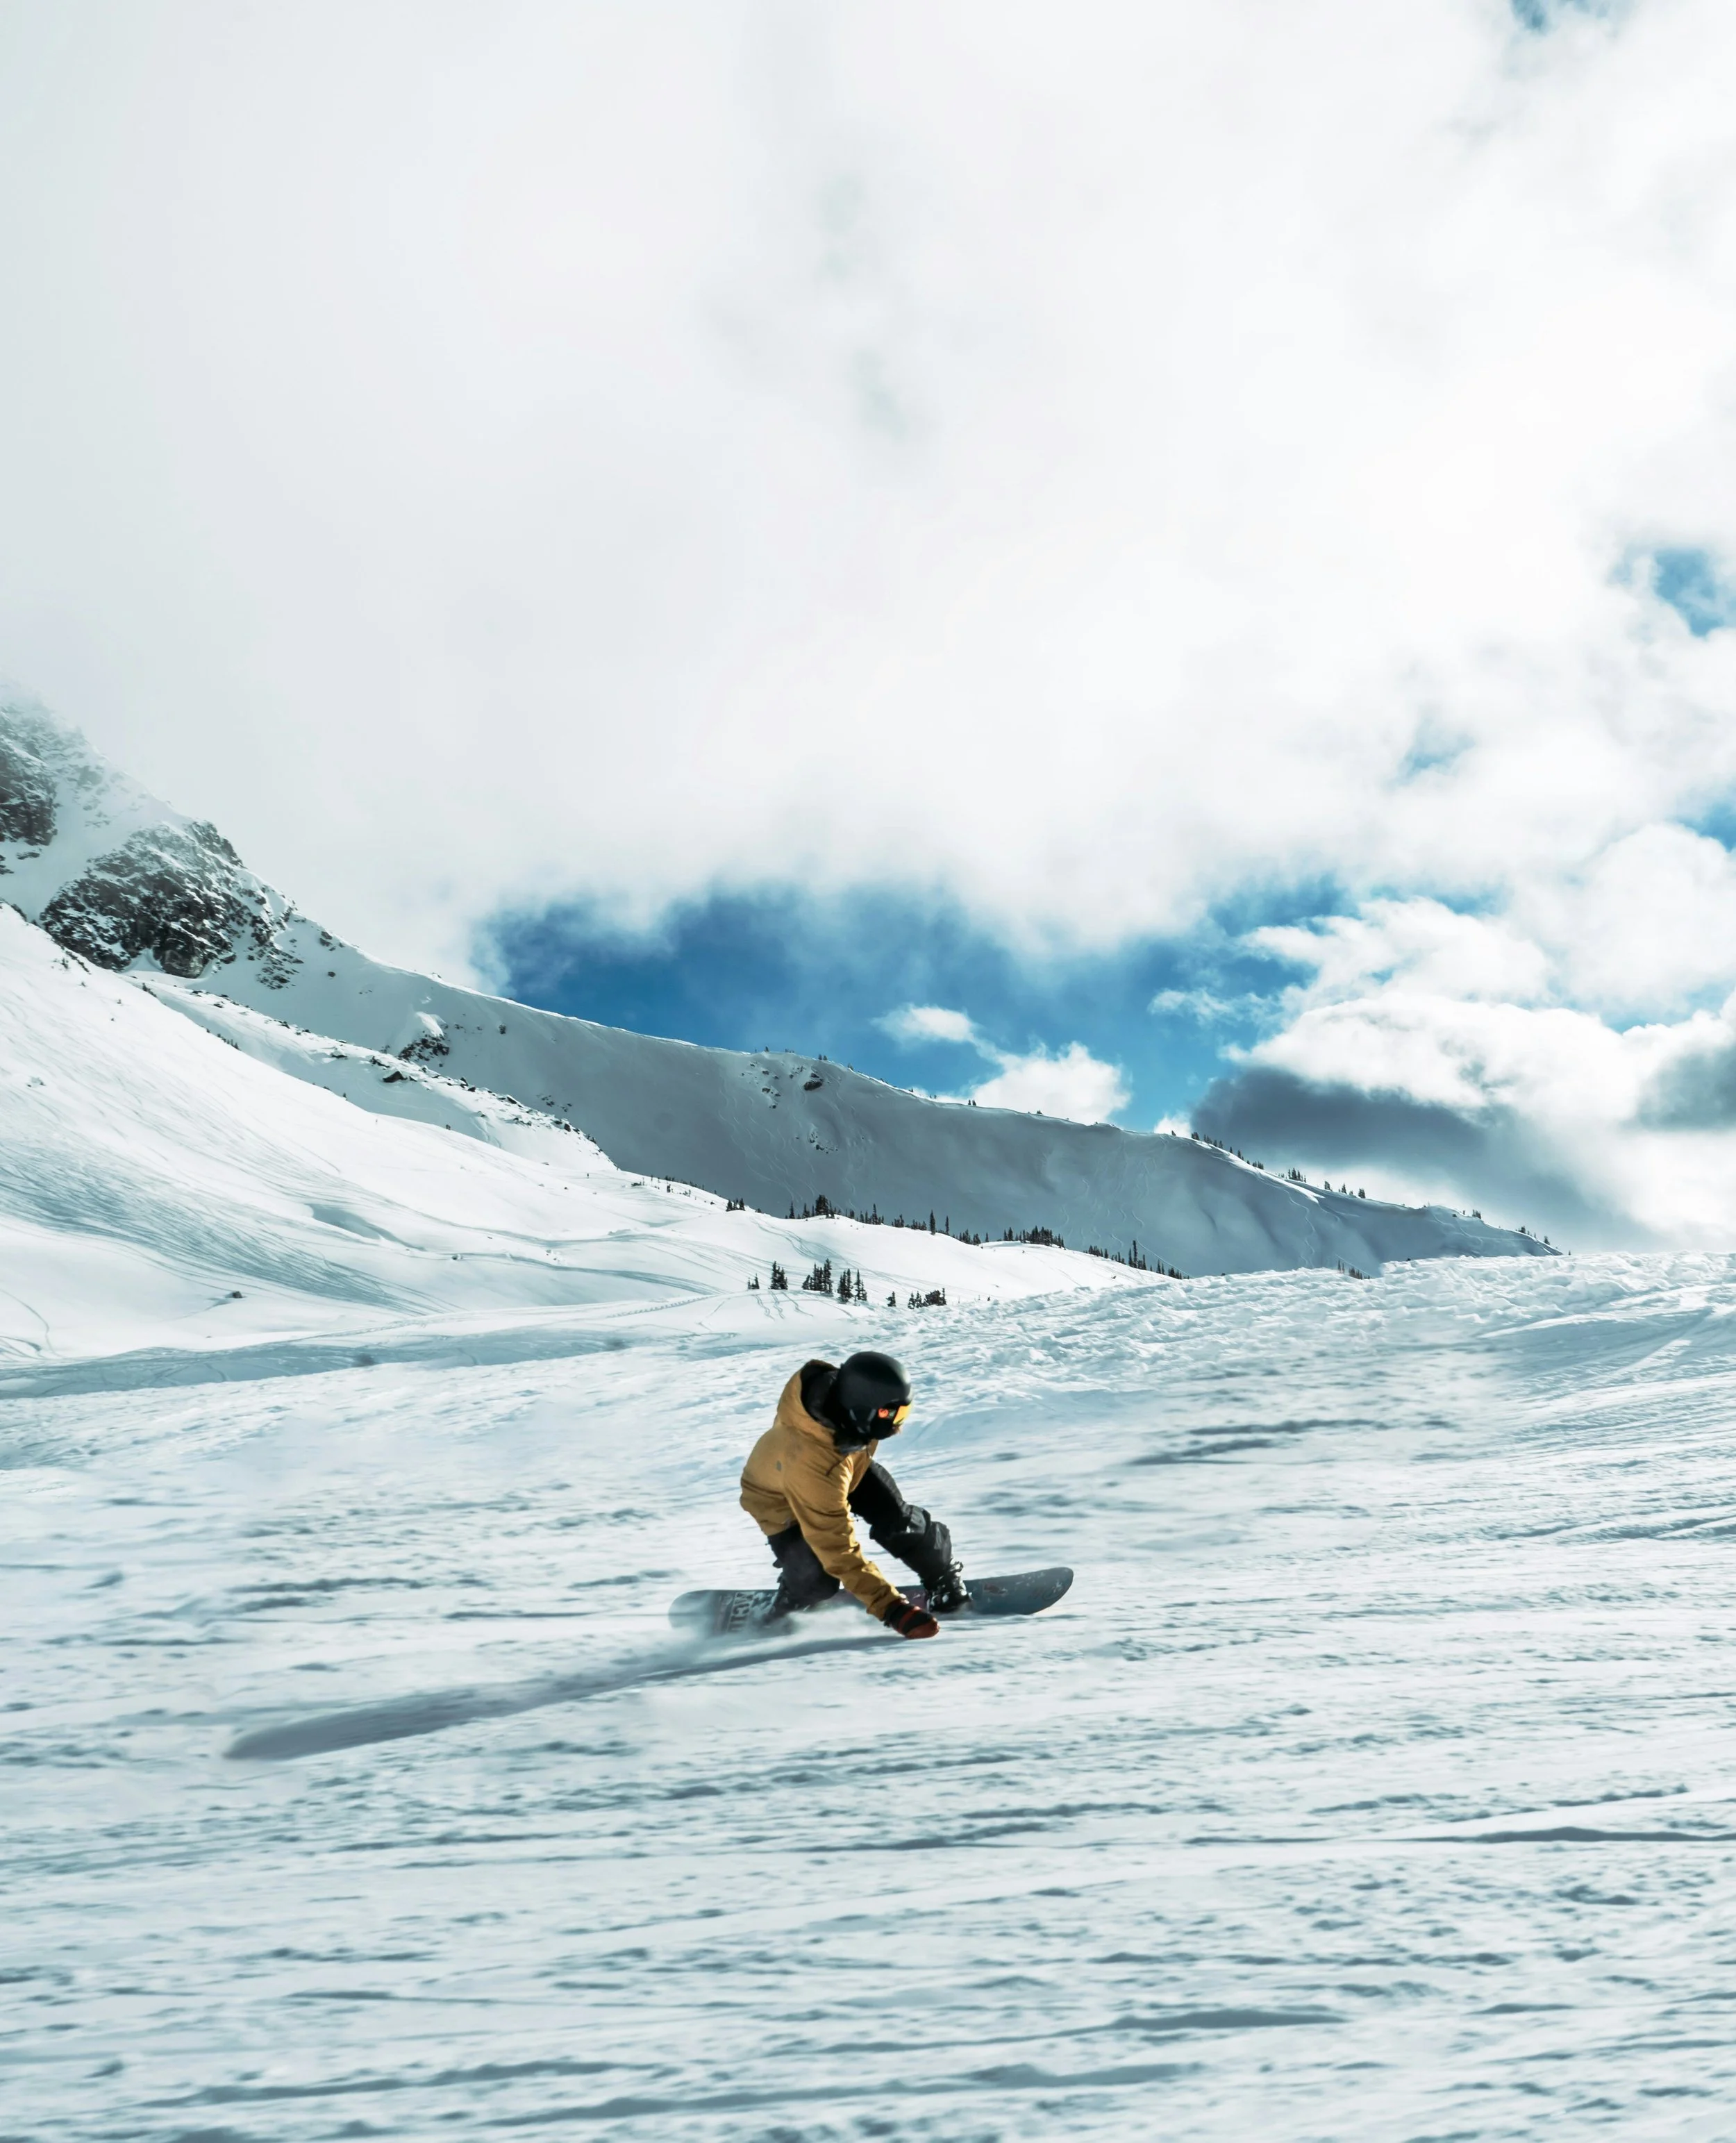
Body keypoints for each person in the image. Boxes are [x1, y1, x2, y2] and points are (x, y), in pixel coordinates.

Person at [740, 1351, 969, 1639]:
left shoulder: (845, 1408)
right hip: (782, 1500)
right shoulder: (811, 1459)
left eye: (904, 1412)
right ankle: (795, 1597)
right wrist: (893, 1609)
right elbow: (839, 1549)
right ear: (861, 1409)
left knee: (900, 1522)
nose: (898, 1422)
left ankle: (942, 1577)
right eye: (890, 1413)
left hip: (846, 1464)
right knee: (819, 1574)